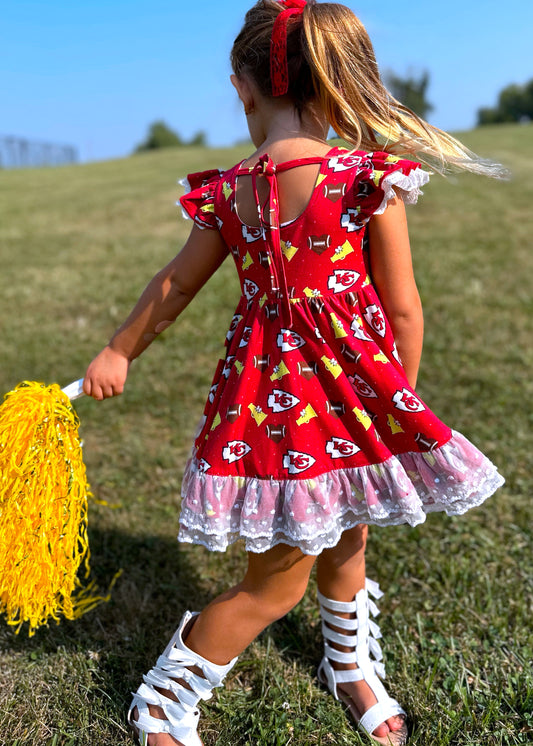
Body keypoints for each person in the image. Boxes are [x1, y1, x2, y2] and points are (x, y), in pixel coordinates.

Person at [83, 1, 505, 744]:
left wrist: (122, 347)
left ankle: (349, 665)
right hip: (308, 417)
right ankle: (162, 697)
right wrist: (394, 403)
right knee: (274, 585)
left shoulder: (235, 189)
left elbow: (174, 287)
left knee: (349, 541)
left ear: (244, 87)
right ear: (337, 83)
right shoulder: (366, 177)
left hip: (285, 409)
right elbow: (403, 310)